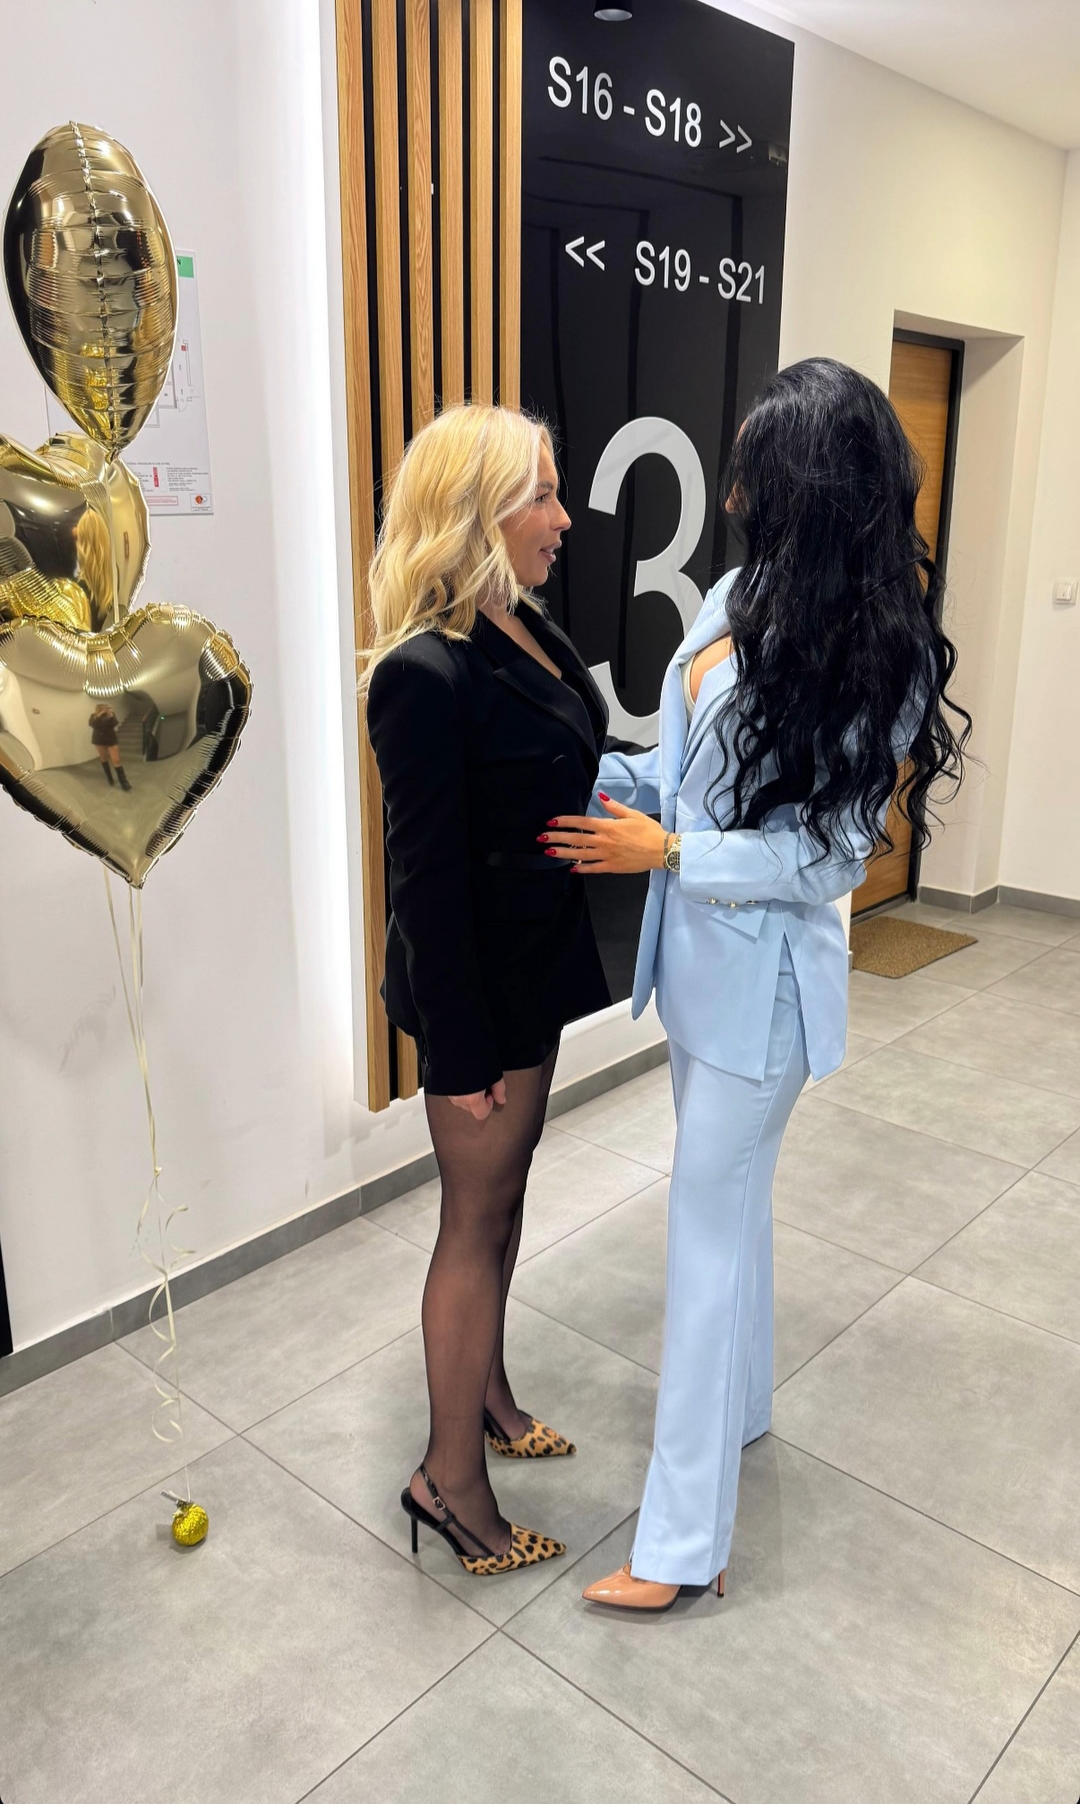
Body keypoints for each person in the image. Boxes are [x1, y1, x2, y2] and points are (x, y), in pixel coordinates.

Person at [540, 359, 970, 1611]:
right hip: (694, 976)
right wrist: (604, 775)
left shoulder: (876, 654)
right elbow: (691, 773)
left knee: (705, 1243)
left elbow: (826, 858)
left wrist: (673, 853)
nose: (730, 496)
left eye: (753, 473)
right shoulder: (741, 594)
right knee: (733, 1217)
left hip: (763, 1000)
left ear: (812, 488)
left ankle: (683, 1547)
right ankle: (740, 1416)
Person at [362, 403, 611, 1578]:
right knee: (473, 1222)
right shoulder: (421, 673)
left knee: (505, 1205)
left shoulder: (524, 622)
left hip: (536, 968)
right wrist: (455, 1059)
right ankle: (448, 1482)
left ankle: (493, 1398)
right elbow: (424, 882)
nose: (563, 518)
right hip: (477, 999)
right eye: (542, 495)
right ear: (475, 513)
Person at [89, 703, 130, 791]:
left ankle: (124, 782)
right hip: (99, 739)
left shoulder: (110, 714)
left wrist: (110, 714)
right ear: (97, 709)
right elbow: (93, 725)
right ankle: (109, 777)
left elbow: (115, 723)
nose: (104, 709)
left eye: (105, 708)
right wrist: (99, 714)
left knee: (116, 759)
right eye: (101, 708)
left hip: (111, 739)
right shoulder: (93, 716)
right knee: (103, 758)